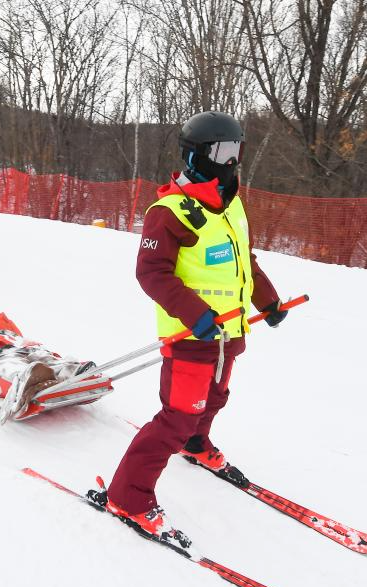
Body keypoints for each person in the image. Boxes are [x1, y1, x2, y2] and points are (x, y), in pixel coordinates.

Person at [89, 111, 288, 543]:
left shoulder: (232, 205)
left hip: (229, 334)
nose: (232, 162)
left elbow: (244, 263)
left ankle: (196, 445)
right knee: (176, 417)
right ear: (197, 154)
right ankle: (128, 496)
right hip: (193, 337)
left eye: (237, 150)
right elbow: (152, 273)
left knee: (216, 397)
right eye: (222, 151)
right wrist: (195, 314)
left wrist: (267, 300)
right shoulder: (169, 211)